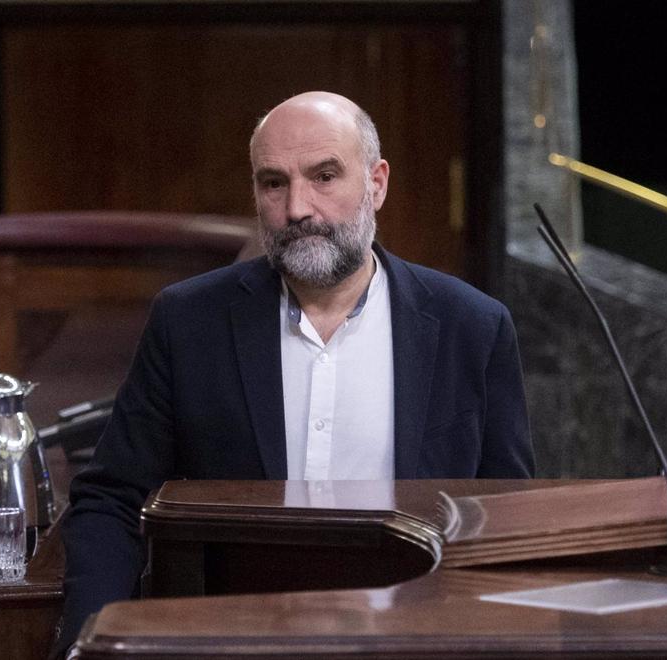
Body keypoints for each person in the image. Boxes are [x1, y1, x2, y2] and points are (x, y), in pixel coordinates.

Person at [55, 91, 534, 652]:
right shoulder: (188, 322)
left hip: (413, 640)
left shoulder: (471, 327)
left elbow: (509, 518)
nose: (298, 208)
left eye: (324, 176)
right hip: (233, 642)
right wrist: (87, 642)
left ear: (376, 183)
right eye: (273, 183)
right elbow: (112, 500)